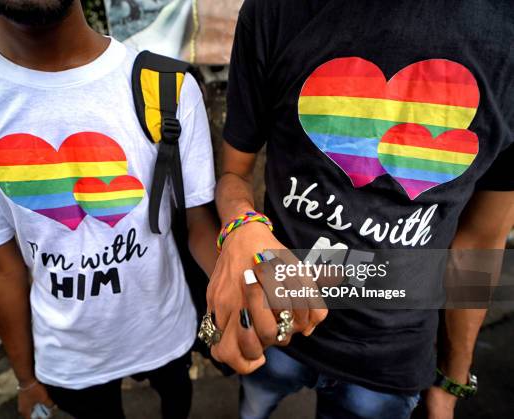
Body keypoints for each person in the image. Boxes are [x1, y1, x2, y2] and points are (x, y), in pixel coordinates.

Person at [0, 1, 219, 418]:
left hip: (168, 325)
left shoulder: (168, 85)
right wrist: (27, 380)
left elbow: (200, 224)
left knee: (177, 401)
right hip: (68, 355)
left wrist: (234, 312)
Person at [207, 0, 514, 418]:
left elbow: (480, 241)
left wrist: (451, 378)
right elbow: (234, 174)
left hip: (391, 361)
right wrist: (241, 224)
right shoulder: (274, 11)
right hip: (273, 321)